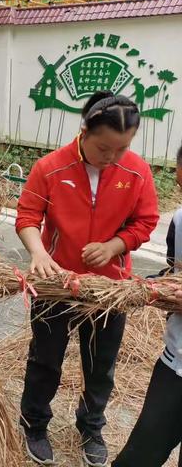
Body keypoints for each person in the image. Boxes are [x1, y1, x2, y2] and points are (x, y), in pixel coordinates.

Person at [16, 90, 159, 466]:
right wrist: (39, 252)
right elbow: (28, 217)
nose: (111, 157)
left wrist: (115, 245)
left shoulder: (137, 171)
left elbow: (145, 222)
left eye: (122, 148)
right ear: (84, 130)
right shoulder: (50, 167)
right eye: (103, 148)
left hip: (109, 288)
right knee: (45, 359)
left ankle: (91, 425)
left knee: (101, 364)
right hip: (56, 283)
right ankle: (34, 422)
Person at [112, 144, 182, 467]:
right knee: (137, 458)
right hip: (176, 365)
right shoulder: (180, 222)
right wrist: (151, 287)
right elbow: (174, 271)